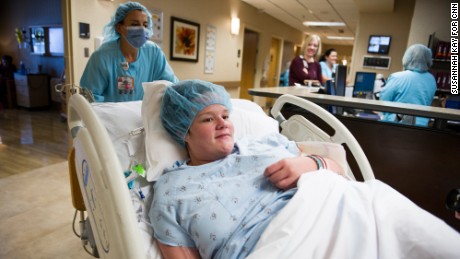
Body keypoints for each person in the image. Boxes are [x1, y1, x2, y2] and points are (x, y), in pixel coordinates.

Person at [149, 79, 460, 259]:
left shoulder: (263, 143)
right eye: (207, 119)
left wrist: (311, 163)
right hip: (279, 247)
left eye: (226, 116)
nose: (223, 125)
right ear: (183, 132)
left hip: (339, 205)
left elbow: (338, 170)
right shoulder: (172, 191)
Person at [80, 1, 178, 102]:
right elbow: (90, 99)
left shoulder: (153, 52)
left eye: (145, 25)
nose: (141, 29)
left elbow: (171, 85)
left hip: (142, 115)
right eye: (134, 24)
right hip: (109, 116)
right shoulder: (102, 57)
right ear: (119, 28)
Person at [379, 44, 437, 126]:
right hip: (421, 126)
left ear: (408, 57)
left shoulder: (397, 77)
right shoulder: (431, 79)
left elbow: (384, 100)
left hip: (396, 124)